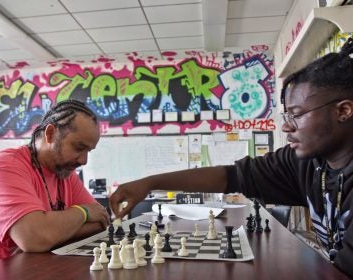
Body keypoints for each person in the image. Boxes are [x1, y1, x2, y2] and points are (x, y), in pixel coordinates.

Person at [110, 36, 353, 277]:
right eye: (286, 117)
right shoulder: (307, 163)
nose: (286, 128)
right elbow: (233, 176)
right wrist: (151, 183)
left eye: (297, 115)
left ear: (343, 110)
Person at [0, 100, 110, 260]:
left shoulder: (64, 172)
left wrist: (49, 236)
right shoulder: (5, 167)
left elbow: (101, 221)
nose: (83, 161)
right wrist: (84, 212)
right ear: (50, 134)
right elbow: (35, 237)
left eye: (88, 151)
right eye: (79, 147)